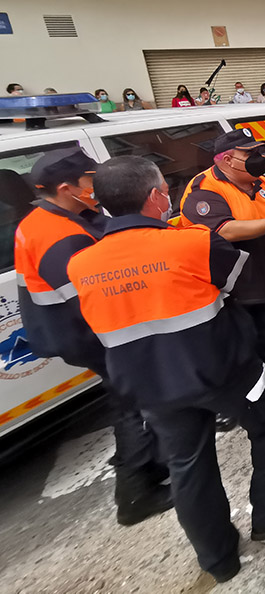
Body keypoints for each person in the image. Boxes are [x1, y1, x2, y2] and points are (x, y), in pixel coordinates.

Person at [68, 156, 265, 583]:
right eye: (165, 190)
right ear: (155, 197)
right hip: (223, 370)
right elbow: (236, 285)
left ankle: (217, 558)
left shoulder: (81, 264)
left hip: (150, 385)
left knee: (187, 462)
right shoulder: (193, 243)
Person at [14, 148, 171, 527]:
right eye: (90, 181)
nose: (97, 187)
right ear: (66, 188)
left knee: (130, 399)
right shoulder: (59, 238)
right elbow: (94, 299)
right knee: (133, 403)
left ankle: (150, 465)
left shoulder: (55, 216)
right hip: (86, 334)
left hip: (75, 331)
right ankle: (135, 493)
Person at [179, 129, 265, 402]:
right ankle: (251, 397)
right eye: (249, 153)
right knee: (243, 347)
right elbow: (224, 230)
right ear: (227, 160)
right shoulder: (204, 188)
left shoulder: (264, 184)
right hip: (233, 290)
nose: (258, 158)